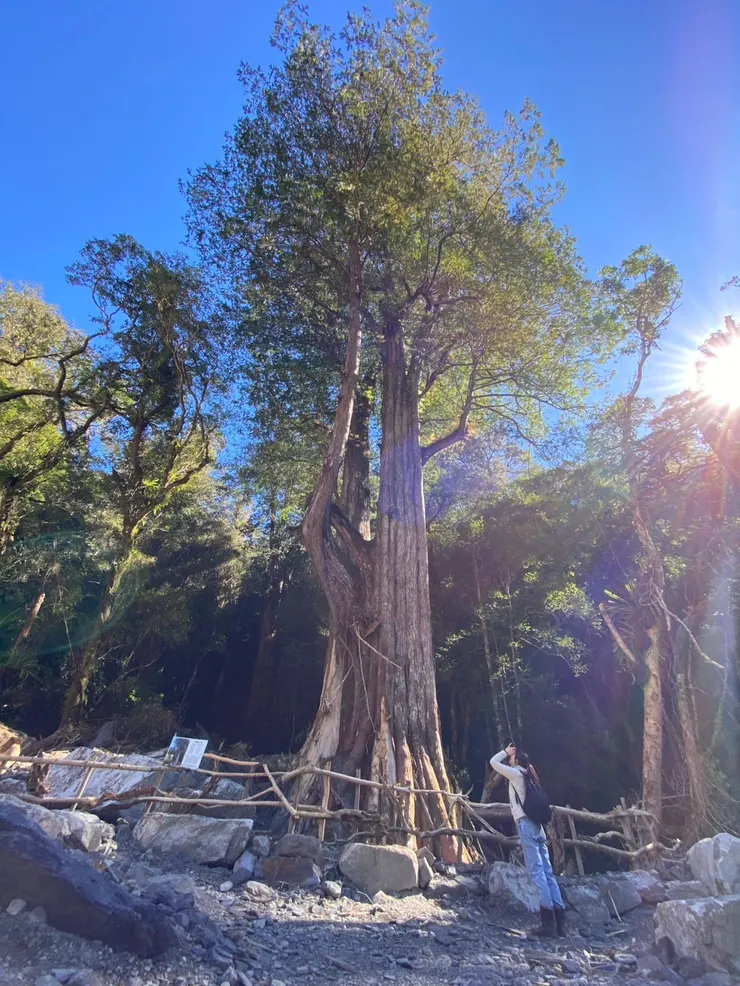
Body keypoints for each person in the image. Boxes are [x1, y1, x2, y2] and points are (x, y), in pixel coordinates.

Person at [489, 743, 565, 938]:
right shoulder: (532, 776)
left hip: (526, 825)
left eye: (512, 757)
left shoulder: (516, 774)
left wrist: (505, 752)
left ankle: (547, 924)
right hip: (539, 827)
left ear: (516, 760)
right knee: (548, 873)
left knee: (537, 872)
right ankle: (560, 923)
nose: (510, 758)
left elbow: (493, 762)